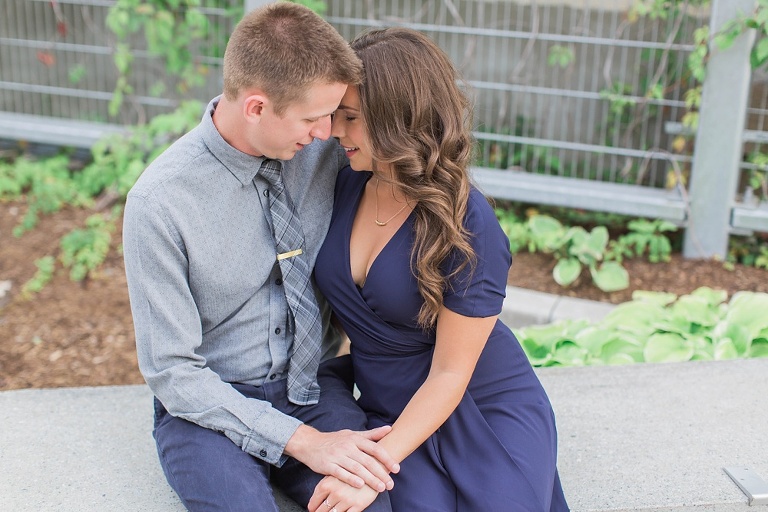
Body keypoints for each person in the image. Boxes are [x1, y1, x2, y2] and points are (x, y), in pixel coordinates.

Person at [122, 4, 398, 511]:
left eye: (332, 117)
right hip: (209, 409)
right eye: (313, 119)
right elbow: (171, 372)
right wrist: (302, 443)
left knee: (368, 504)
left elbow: (417, 154)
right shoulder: (159, 204)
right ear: (255, 107)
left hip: (312, 390)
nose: (326, 133)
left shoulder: (327, 148)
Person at [308, 28, 570, 511]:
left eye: (350, 117)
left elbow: (451, 373)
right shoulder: (343, 180)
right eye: (332, 115)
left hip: (480, 408)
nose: (333, 131)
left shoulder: (467, 222)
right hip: (390, 408)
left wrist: (373, 466)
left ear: (396, 119)